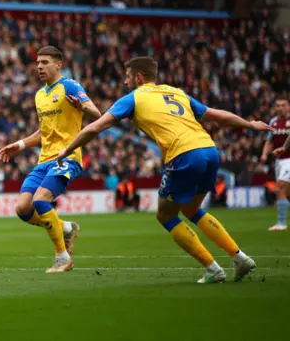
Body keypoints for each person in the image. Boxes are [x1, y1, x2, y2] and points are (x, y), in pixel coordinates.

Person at [56, 56, 270, 283]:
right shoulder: (176, 92)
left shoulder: (133, 98)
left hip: (184, 154)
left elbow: (97, 127)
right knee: (191, 209)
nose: (125, 81)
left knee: (165, 214)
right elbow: (216, 115)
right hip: (209, 150)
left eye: (128, 76)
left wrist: (69, 148)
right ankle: (239, 257)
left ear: (139, 77)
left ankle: (212, 268)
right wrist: (249, 124)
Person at [0, 46, 102, 273]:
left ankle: (62, 258)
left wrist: (81, 106)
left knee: (40, 201)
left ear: (58, 64)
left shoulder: (70, 86)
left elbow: (97, 115)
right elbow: (43, 132)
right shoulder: (40, 95)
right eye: (37, 63)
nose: (39, 67)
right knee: (23, 208)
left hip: (67, 157)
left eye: (44, 62)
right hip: (43, 160)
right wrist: (21, 144)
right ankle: (65, 227)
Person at [261, 98, 290, 231]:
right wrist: (264, 154)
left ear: (288, 107)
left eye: (283, 105)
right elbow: (269, 141)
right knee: (285, 192)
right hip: (279, 161)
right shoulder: (273, 121)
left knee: (279, 188)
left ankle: (282, 223)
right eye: (277, 105)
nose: (280, 108)